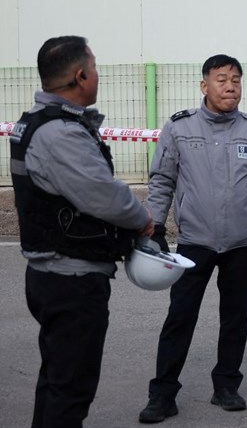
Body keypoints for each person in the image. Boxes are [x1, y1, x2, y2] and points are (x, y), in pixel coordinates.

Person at [10, 36, 154, 428]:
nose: (97, 77)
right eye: (95, 70)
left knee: (57, 382)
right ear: (80, 75)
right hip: (70, 279)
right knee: (70, 391)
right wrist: (142, 218)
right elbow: (104, 195)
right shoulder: (62, 134)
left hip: (52, 274)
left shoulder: (37, 123)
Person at [138, 54, 247, 423]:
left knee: (235, 318)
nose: (230, 85)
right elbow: (162, 181)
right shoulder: (179, 128)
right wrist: (154, 230)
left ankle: (226, 386)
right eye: (221, 79)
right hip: (195, 243)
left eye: (236, 78)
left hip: (240, 244)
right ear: (204, 86)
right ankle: (163, 394)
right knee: (179, 318)